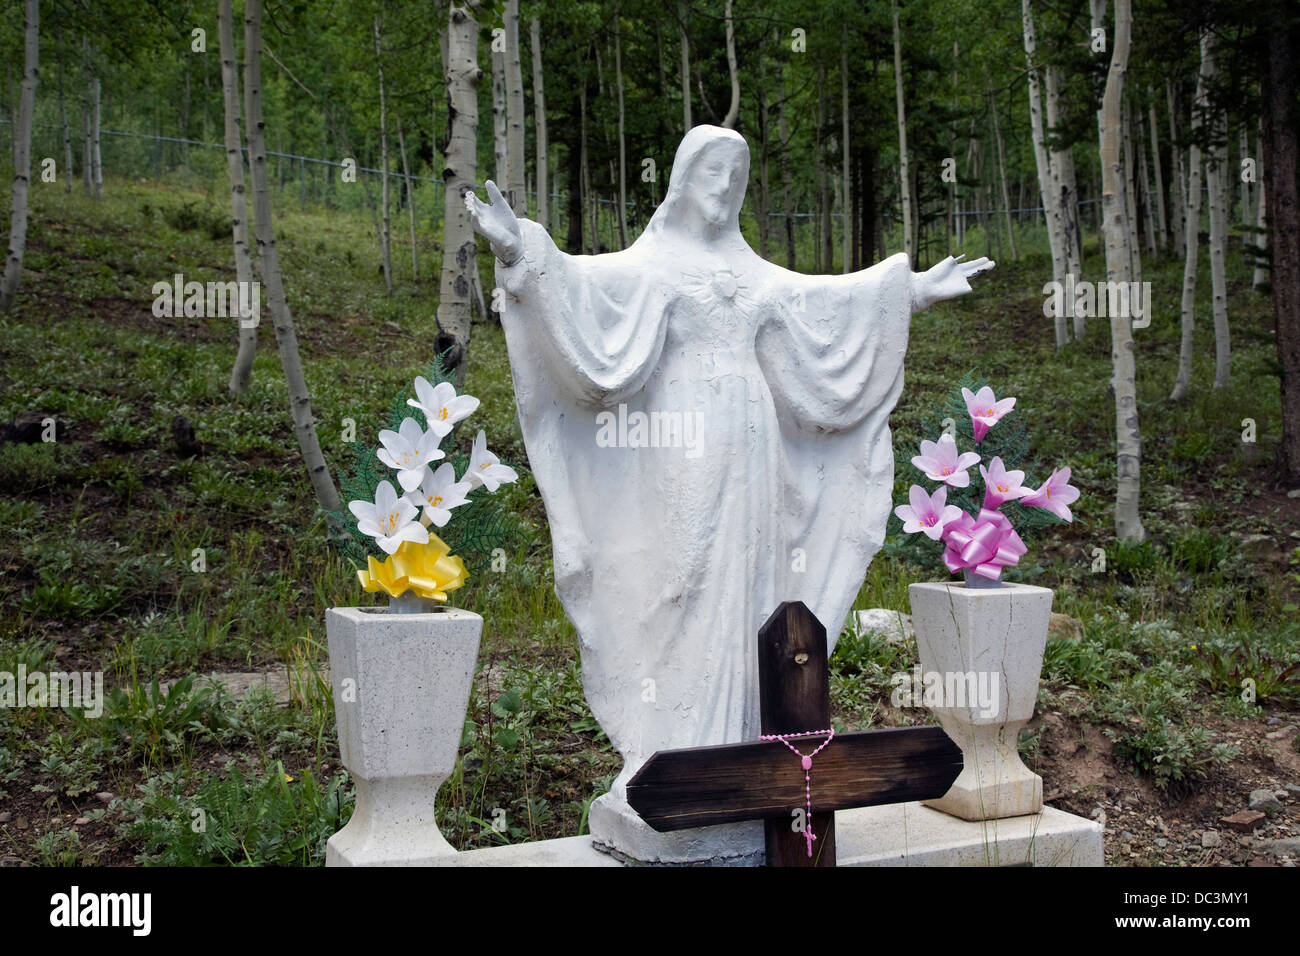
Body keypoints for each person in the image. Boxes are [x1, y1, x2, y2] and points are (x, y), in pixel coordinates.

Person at [467, 125, 993, 860]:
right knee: (682, 578)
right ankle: (673, 744)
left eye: (737, 176)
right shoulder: (652, 265)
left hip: (753, 445)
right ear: (683, 179)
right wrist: (520, 248)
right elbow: (584, 294)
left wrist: (907, 291)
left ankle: (747, 749)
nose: (725, 188)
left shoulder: (751, 273)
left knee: (753, 585)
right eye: (713, 172)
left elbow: (826, 303)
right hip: (680, 444)